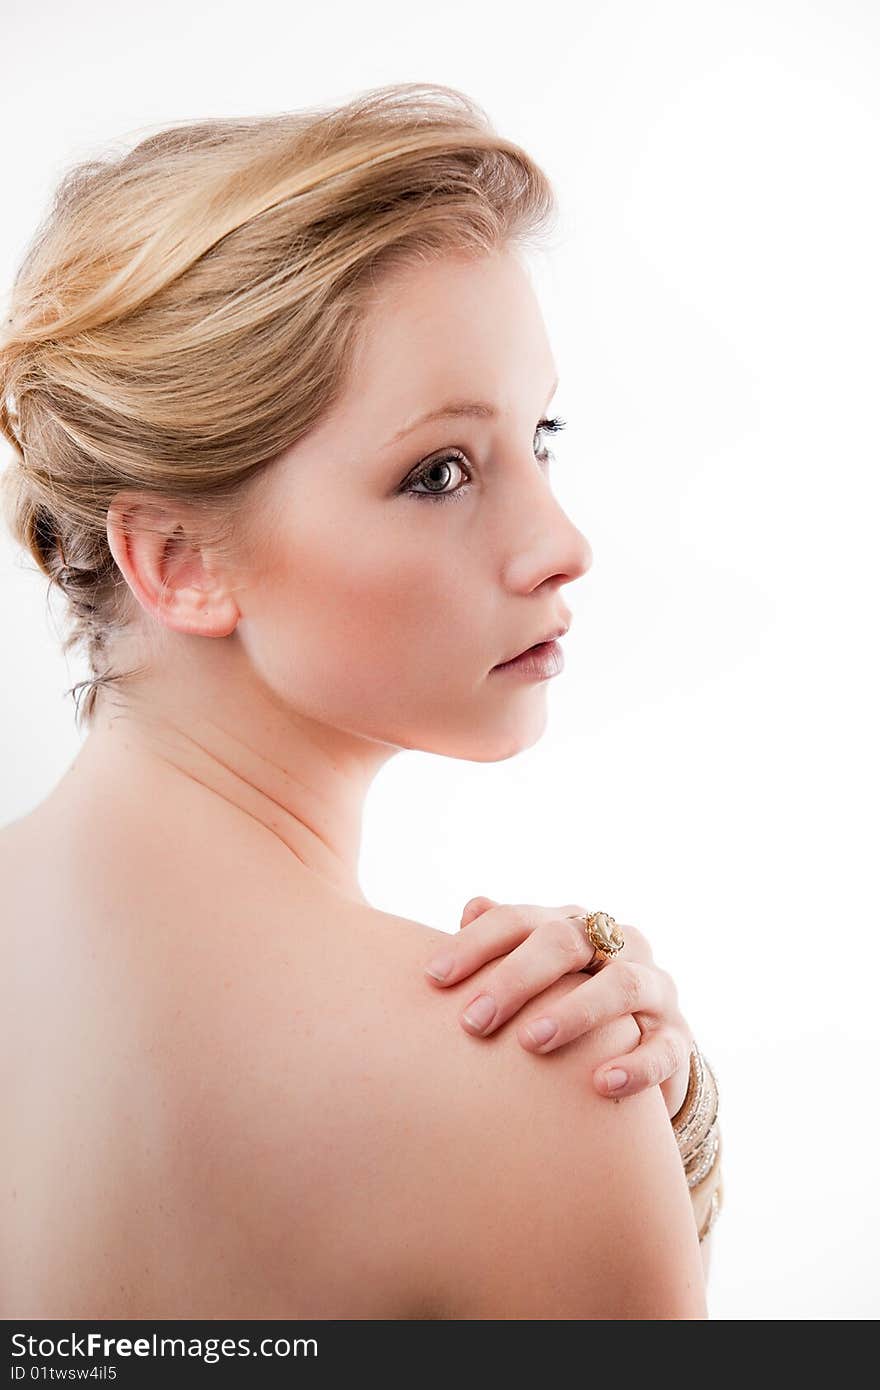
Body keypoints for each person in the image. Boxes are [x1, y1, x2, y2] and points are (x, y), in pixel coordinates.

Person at [0, 82, 713, 1319]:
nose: (560, 543)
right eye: (439, 471)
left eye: (539, 438)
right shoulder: (531, 1086)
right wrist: (646, 1142)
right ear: (177, 560)